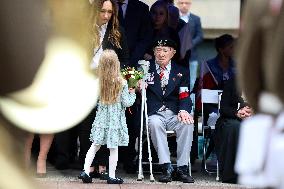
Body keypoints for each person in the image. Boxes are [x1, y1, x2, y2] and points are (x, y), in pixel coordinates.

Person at [54, 0, 130, 177]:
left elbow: (125, 58)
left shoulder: (116, 32)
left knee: (107, 122)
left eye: (109, 12)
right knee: (88, 124)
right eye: (102, 11)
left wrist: (117, 76)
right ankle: (88, 164)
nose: (105, 15)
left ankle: (103, 164)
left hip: (108, 85)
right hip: (86, 82)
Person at [141, 38, 194, 183]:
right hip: (155, 113)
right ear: (153, 52)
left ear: (173, 52)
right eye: (158, 50)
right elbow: (137, 91)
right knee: (154, 124)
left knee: (187, 123)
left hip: (174, 113)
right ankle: (166, 167)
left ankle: (182, 168)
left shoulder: (181, 71)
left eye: (165, 50)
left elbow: (184, 95)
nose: (161, 54)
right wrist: (139, 86)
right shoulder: (145, 69)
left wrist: (184, 110)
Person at [79, 49, 136, 184]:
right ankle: (111, 176)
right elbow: (127, 102)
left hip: (101, 120)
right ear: (117, 63)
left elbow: (91, 102)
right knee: (113, 148)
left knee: (94, 145)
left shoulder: (98, 82)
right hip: (115, 122)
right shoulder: (122, 82)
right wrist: (132, 91)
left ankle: (86, 171)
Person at [115, 0, 153, 173]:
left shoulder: (142, 8)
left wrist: (129, 60)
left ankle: (128, 156)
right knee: (110, 107)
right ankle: (107, 158)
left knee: (129, 108)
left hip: (132, 67)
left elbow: (146, 38)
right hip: (110, 66)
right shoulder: (107, 5)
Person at [214, 78, 252, 183]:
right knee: (234, 127)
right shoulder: (233, 82)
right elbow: (223, 108)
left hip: (257, 119)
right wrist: (237, 113)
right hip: (232, 118)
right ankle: (232, 174)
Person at [176, 0, 203, 92]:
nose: (184, 5)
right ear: (178, 4)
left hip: (192, 56)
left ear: (190, 4)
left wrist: (188, 44)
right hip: (177, 56)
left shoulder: (196, 19)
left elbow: (199, 36)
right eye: (181, 3)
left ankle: (190, 102)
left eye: (186, 3)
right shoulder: (174, 18)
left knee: (192, 80)